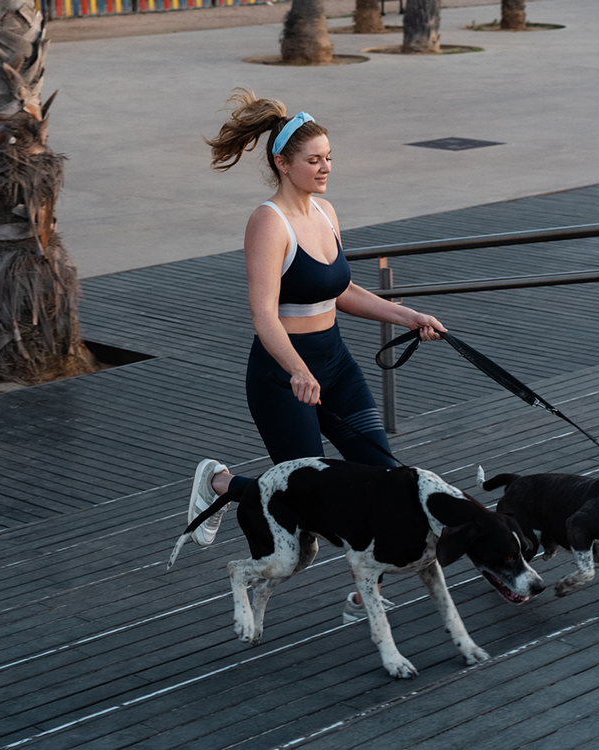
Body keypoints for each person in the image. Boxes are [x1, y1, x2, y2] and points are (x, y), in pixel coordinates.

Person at [189, 89, 446, 623]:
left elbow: (339, 291)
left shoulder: (325, 212)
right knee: (309, 496)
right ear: (283, 164)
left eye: (329, 156)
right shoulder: (267, 223)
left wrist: (408, 316)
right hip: (283, 373)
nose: (325, 166)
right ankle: (219, 483)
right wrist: (297, 370)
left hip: (335, 362)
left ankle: (363, 591)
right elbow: (264, 315)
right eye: (314, 159)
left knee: (389, 477)